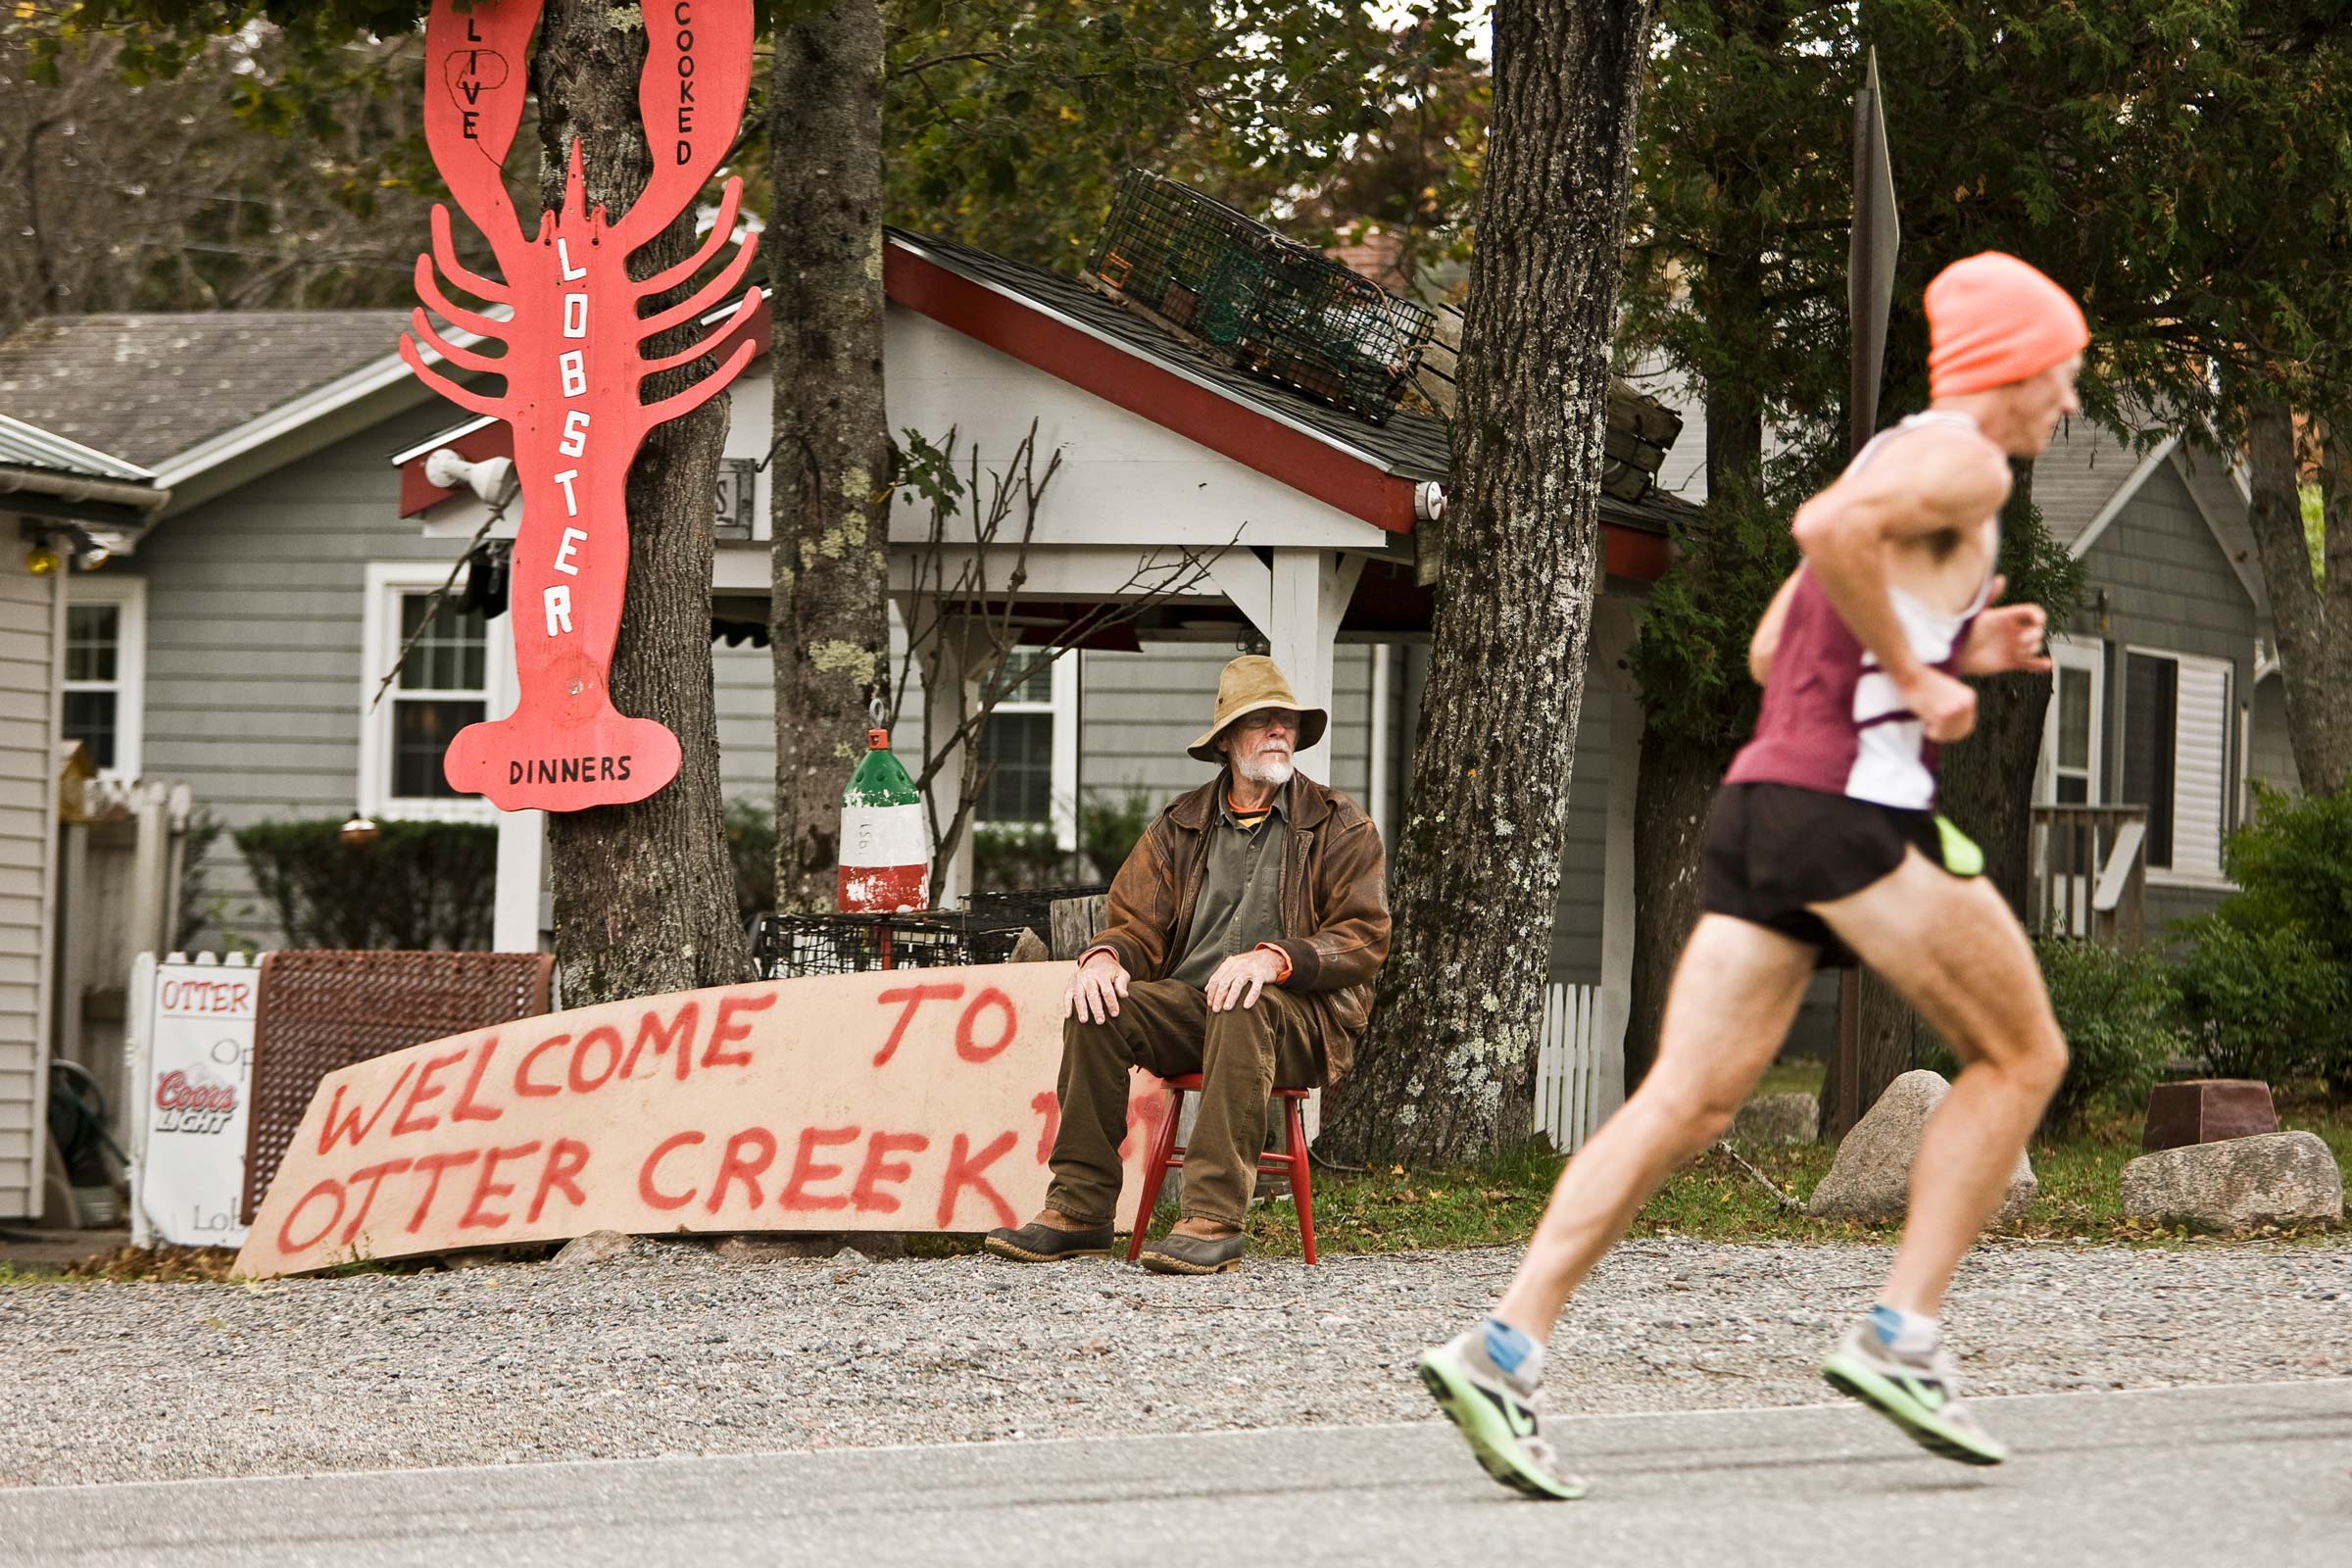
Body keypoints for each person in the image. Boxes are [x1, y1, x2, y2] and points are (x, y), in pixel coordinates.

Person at [1417, 252, 2084, 1497]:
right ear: (2016, 363)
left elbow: (1782, 635)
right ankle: (1903, 1335)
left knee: (1687, 1101)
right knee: (2025, 1055)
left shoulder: (1894, 456)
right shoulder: (1968, 462)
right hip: (1851, 815)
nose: (2072, 400)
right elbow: (1823, 537)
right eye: (2066, 367)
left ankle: (1501, 1346)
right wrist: (1930, 678)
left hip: (1761, 804)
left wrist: (1954, 641)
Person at [983, 655, 1390, 1276]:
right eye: (1262, 722)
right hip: (1194, 1009)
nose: (1280, 732)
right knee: (1101, 1007)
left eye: (1287, 721)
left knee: (1243, 1002)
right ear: (1228, 740)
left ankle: (1213, 1217)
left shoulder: (1339, 825)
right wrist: (1104, 957)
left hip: (1299, 1019)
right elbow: (1136, 922)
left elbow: (1364, 935)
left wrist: (1278, 959)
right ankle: (1080, 1211)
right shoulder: (1181, 825)